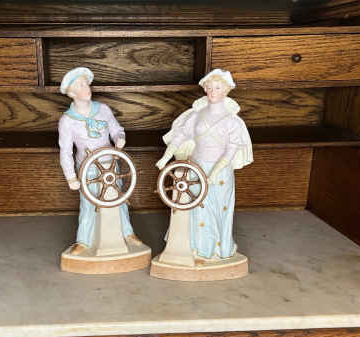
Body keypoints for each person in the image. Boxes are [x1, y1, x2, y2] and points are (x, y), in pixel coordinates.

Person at [156, 69, 253, 265]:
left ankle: (216, 250)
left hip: (220, 173)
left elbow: (230, 152)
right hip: (196, 169)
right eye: (209, 88)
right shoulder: (196, 115)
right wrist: (165, 157)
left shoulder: (233, 122)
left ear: (226, 90)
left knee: (217, 209)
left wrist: (213, 174)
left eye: (217, 88)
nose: (212, 92)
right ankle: (197, 248)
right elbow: (180, 136)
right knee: (196, 209)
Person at [58, 67, 142, 255]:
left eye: (86, 84)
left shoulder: (103, 109)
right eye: (80, 86)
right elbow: (65, 152)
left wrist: (120, 138)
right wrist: (71, 177)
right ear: (71, 93)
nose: (86, 88)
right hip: (87, 168)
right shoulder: (67, 121)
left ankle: (127, 233)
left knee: (119, 198)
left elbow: (116, 129)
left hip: (110, 164)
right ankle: (84, 240)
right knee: (88, 203)